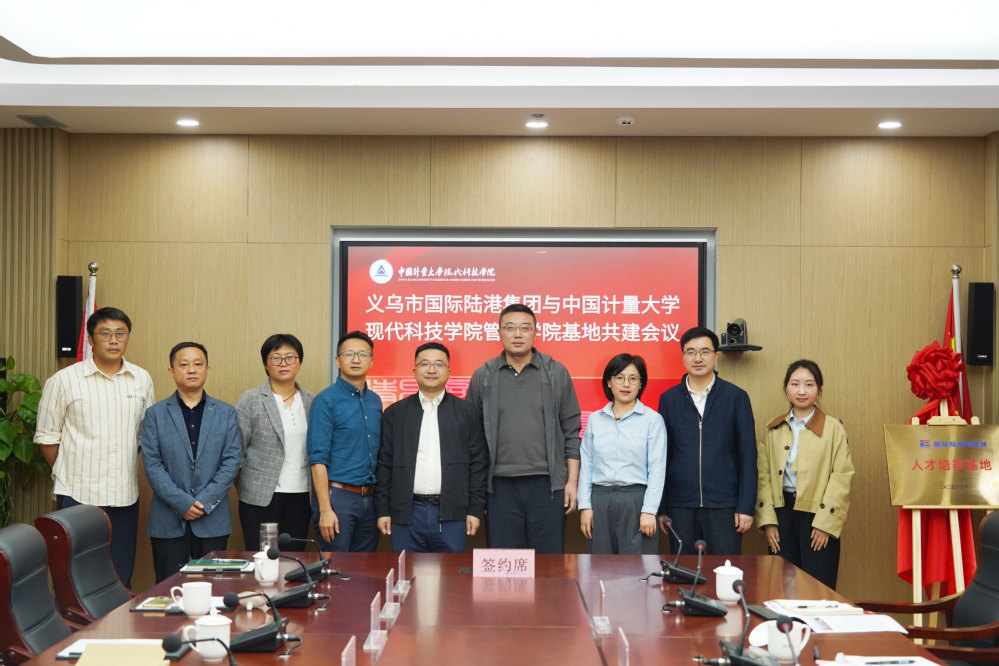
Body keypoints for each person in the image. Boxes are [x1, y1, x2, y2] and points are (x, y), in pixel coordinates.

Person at [33, 306, 155, 587]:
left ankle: (118, 618)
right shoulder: (63, 380)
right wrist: (72, 474)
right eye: (105, 333)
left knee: (120, 576)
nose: (113, 340)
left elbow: (142, 436)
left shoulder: (142, 379)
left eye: (120, 333)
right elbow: (48, 438)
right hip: (78, 495)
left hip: (124, 495)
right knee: (76, 578)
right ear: (90, 339)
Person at [467, 303, 582, 553]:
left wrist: (572, 482)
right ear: (499, 332)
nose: (517, 334)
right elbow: (471, 438)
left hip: (548, 485)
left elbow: (571, 430)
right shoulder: (484, 375)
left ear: (535, 332)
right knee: (504, 563)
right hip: (498, 486)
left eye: (525, 328)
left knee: (549, 564)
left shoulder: (556, 372)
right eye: (510, 328)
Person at [141, 342, 241, 582]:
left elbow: (232, 461)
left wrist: (203, 502)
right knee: (168, 589)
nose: (192, 370)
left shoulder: (226, 413)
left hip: (212, 519)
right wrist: (183, 503)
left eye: (198, 364)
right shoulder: (155, 414)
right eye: (184, 365)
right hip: (168, 521)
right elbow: (153, 465)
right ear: (172, 371)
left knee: (214, 589)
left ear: (207, 369)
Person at [375, 342, 488, 552]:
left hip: (452, 513)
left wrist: (475, 509)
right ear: (414, 371)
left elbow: (478, 464)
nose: (431, 370)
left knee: (450, 572)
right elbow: (384, 464)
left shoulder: (467, 413)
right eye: (425, 364)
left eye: (439, 364)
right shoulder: (395, 413)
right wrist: (383, 509)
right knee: (407, 570)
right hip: (406, 513)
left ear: (449, 372)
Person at [656, 326, 756, 555]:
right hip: (680, 505)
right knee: (683, 570)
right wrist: (661, 507)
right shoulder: (668, 400)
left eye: (704, 351)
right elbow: (662, 456)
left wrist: (745, 506)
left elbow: (748, 455)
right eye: (691, 352)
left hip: (724, 505)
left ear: (716, 356)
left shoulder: (736, 397)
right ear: (683, 357)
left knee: (724, 571)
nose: (698, 358)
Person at [756, 359, 854, 589]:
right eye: (795, 384)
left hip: (817, 515)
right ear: (786, 388)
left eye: (809, 385)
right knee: (782, 587)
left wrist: (826, 523)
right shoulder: (773, 429)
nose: (801, 391)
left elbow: (842, 476)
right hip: (781, 515)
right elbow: (763, 477)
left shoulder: (833, 428)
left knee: (818, 588)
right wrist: (768, 521)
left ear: (818, 389)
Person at [579, 353, 667, 554]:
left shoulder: (652, 420)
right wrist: (585, 506)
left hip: (636, 500)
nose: (626, 384)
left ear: (641, 384)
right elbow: (587, 466)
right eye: (619, 377)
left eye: (633, 378)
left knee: (638, 567)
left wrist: (649, 510)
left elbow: (657, 469)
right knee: (601, 566)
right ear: (609, 382)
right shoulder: (595, 419)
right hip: (600, 500)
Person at [235, 334, 315, 551]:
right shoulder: (250, 400)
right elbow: (237, 452)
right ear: (265, 364)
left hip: (301, 494)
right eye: (276, 358)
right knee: (262, 557)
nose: (283, 363)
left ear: (299, 362)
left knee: (293, 558)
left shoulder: (312, 401)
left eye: (290, 357)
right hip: (258, 497)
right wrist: (246, 486)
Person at [307, 331, 382, 552]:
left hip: (370, 499)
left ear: (371, 361)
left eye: (362, 354)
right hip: (337, 499)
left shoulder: (375, 401)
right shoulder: (325, 400)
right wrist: (325, 509)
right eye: (349, 354)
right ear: (337, 360)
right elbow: (317, 459)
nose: (356, 359)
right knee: (336, 567)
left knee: (366, 568)